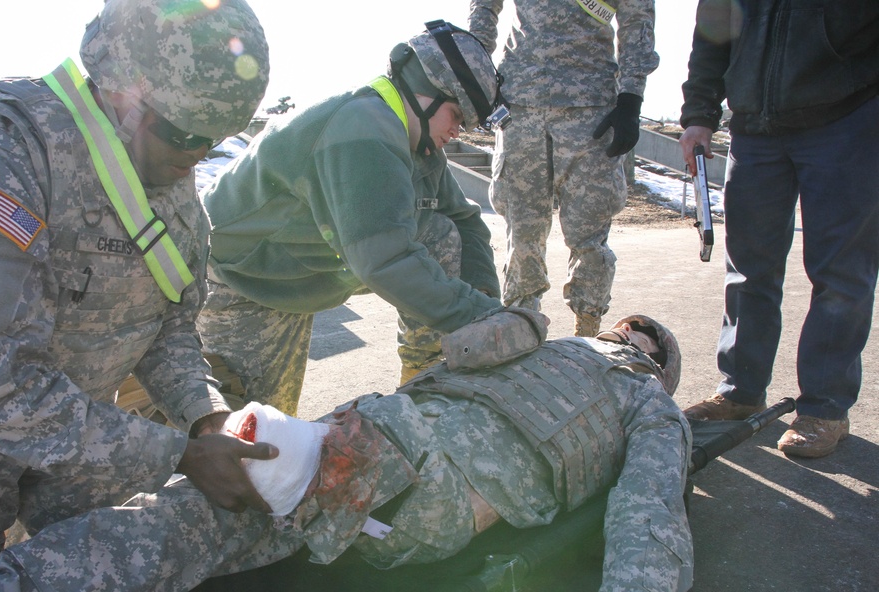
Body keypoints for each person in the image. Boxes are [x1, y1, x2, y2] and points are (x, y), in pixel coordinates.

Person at [0, 0, 285, 592]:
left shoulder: (165, 169)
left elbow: (169, 327)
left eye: (215, 138)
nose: (197, 156)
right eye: (185, 133)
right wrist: (178, 456)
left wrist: (205, 416)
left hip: (76, 447)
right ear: (121, 90)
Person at [224, 312, 690, 592]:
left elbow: (650, 498)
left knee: (278, 471)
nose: (628, 334)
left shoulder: (643, 395)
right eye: (626, 326)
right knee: (221, 492)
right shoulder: (539, 342)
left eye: (644, 340)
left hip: (427, 482)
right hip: (378, 428)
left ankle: (285, 470)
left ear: (658, 367)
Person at [198, 20, 509, 415]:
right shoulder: (364, 127)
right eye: (456, 115)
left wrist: (485, 299)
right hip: (245, 280)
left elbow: (464, 220)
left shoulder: (419, 143)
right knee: (256, 438)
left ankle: (425, 379)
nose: (457, 130)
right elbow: (384, 260)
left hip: (305, 269)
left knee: (442, 233)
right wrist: (485, 320)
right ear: (426, 94)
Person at [678, 0, 879, 458]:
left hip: (848, 119)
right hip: (754, 126)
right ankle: (740, 391)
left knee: (841, 274)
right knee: (748, 269)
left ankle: (825, 407)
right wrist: (699, 114)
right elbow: (713, 29)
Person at [467, 0, 659, 336]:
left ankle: (587, 339)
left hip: (590, 109)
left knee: (589, 238)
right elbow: (484, 6)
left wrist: (631, 96)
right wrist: (478, 71)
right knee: (522, 235)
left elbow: (636, 17)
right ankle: (521, 336)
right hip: (520, 105)